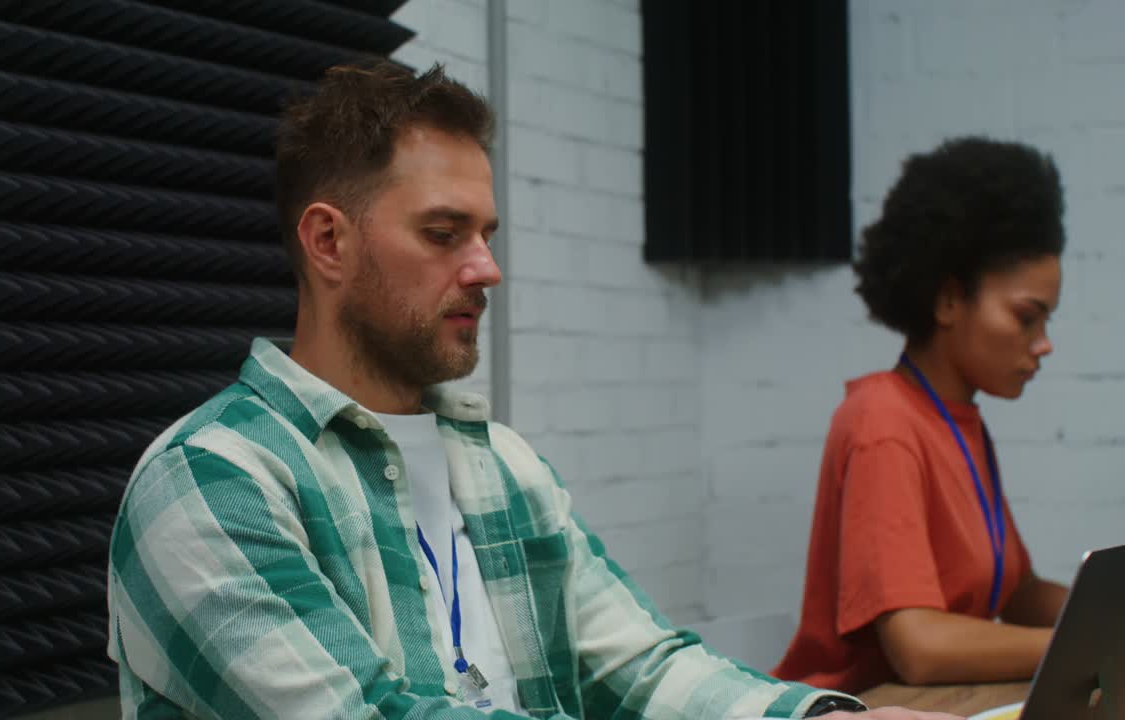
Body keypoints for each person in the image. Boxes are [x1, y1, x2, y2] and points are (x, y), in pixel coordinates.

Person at [107, 61, 955, 719]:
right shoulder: (212, 483)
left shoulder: (502, 466)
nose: (487, 268)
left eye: (486, 234)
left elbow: (636, 668)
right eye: (444, 234)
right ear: (329, 242)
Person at [774, 137, 1070, 694]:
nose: (1044, 344)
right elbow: (921, 647)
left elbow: (1017, 591)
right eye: (1027, 318)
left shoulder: (960, 422)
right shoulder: (881, 421)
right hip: (866, 705)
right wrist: (1078, 647)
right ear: (948, 299)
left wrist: (1103, 614)